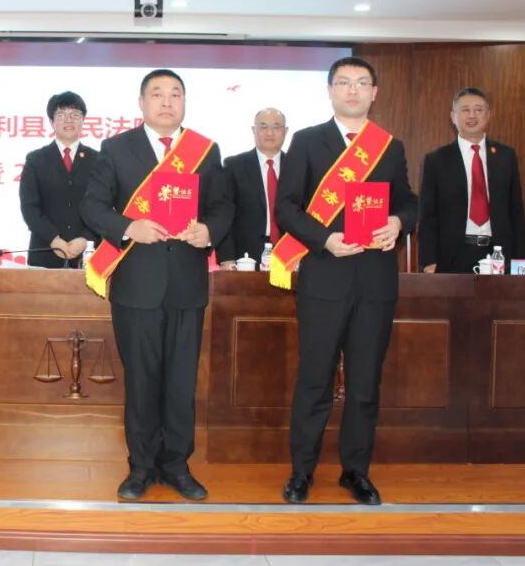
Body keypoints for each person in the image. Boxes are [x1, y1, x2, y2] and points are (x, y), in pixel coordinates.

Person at [82, 69, 232, 501]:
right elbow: (93, 206)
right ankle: (141, 468)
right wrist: (128, 227)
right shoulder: (117, 148)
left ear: (184, 101)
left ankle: (177, 465)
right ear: (141, 102)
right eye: (157, 94)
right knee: (142, 381)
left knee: (181, 382)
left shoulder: (204, 150)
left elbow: (223, 206)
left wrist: (209, 230)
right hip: (137, 284)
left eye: (175, 94)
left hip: (187, 283)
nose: (167, 102)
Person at [273, 56, 418, 506]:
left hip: (376, 282)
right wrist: (325, 239)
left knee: (364, 383)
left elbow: (409, 202)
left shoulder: (389, 146)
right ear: (330, 91)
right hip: (324, 278)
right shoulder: (307, 141)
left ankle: (356, 472)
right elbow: (287, 207)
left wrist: (398, 222)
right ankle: (302, 472)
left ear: (374, 93)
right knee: (314, 379)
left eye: (361, 83)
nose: (352, 90)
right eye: (343, 82)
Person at [418, 87, 525, 274]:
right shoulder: (436, 160)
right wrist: (429, 261)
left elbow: (516, 211)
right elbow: (427, 215)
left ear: (488, 115)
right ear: (453, 116)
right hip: (452, 255)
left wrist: (520, 261)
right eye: (465, 110)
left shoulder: (506, 156)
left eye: (478, 110)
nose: (472, 115)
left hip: (498, 253)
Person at [18, 91, 98, 268]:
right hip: (44, 252)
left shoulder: (98, 160)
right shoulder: (36, 160)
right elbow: (29, 207)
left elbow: (103, 206)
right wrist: (53, 239)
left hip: (87, 253)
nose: (68, 121)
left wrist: (86, 239)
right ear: (51, 122)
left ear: (83, 120)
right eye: (61, 115)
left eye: (75, 115)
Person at [217, 107, 288, 268]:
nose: (269, 133)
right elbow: (224, 215)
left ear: (285, 131)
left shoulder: (297, 166)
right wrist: (226, 258)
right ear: (253, 130)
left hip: (289, 254)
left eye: (276, 127)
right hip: (245, 257)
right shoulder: (234, 166)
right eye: (263, 126)